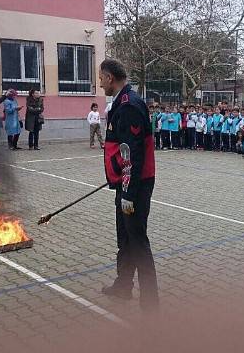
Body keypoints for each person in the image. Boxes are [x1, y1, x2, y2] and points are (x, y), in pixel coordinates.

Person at [98, 59, 158, 311]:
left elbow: (133, 152)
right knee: (125, 238)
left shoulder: (129, 105)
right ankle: (123, 286)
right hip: (124, 182)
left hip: (135, 185)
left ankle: (150, 302)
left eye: (101, 78)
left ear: (110, 77)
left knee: (137, 241)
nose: (99, 83)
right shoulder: (121, 103)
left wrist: (128, 193)